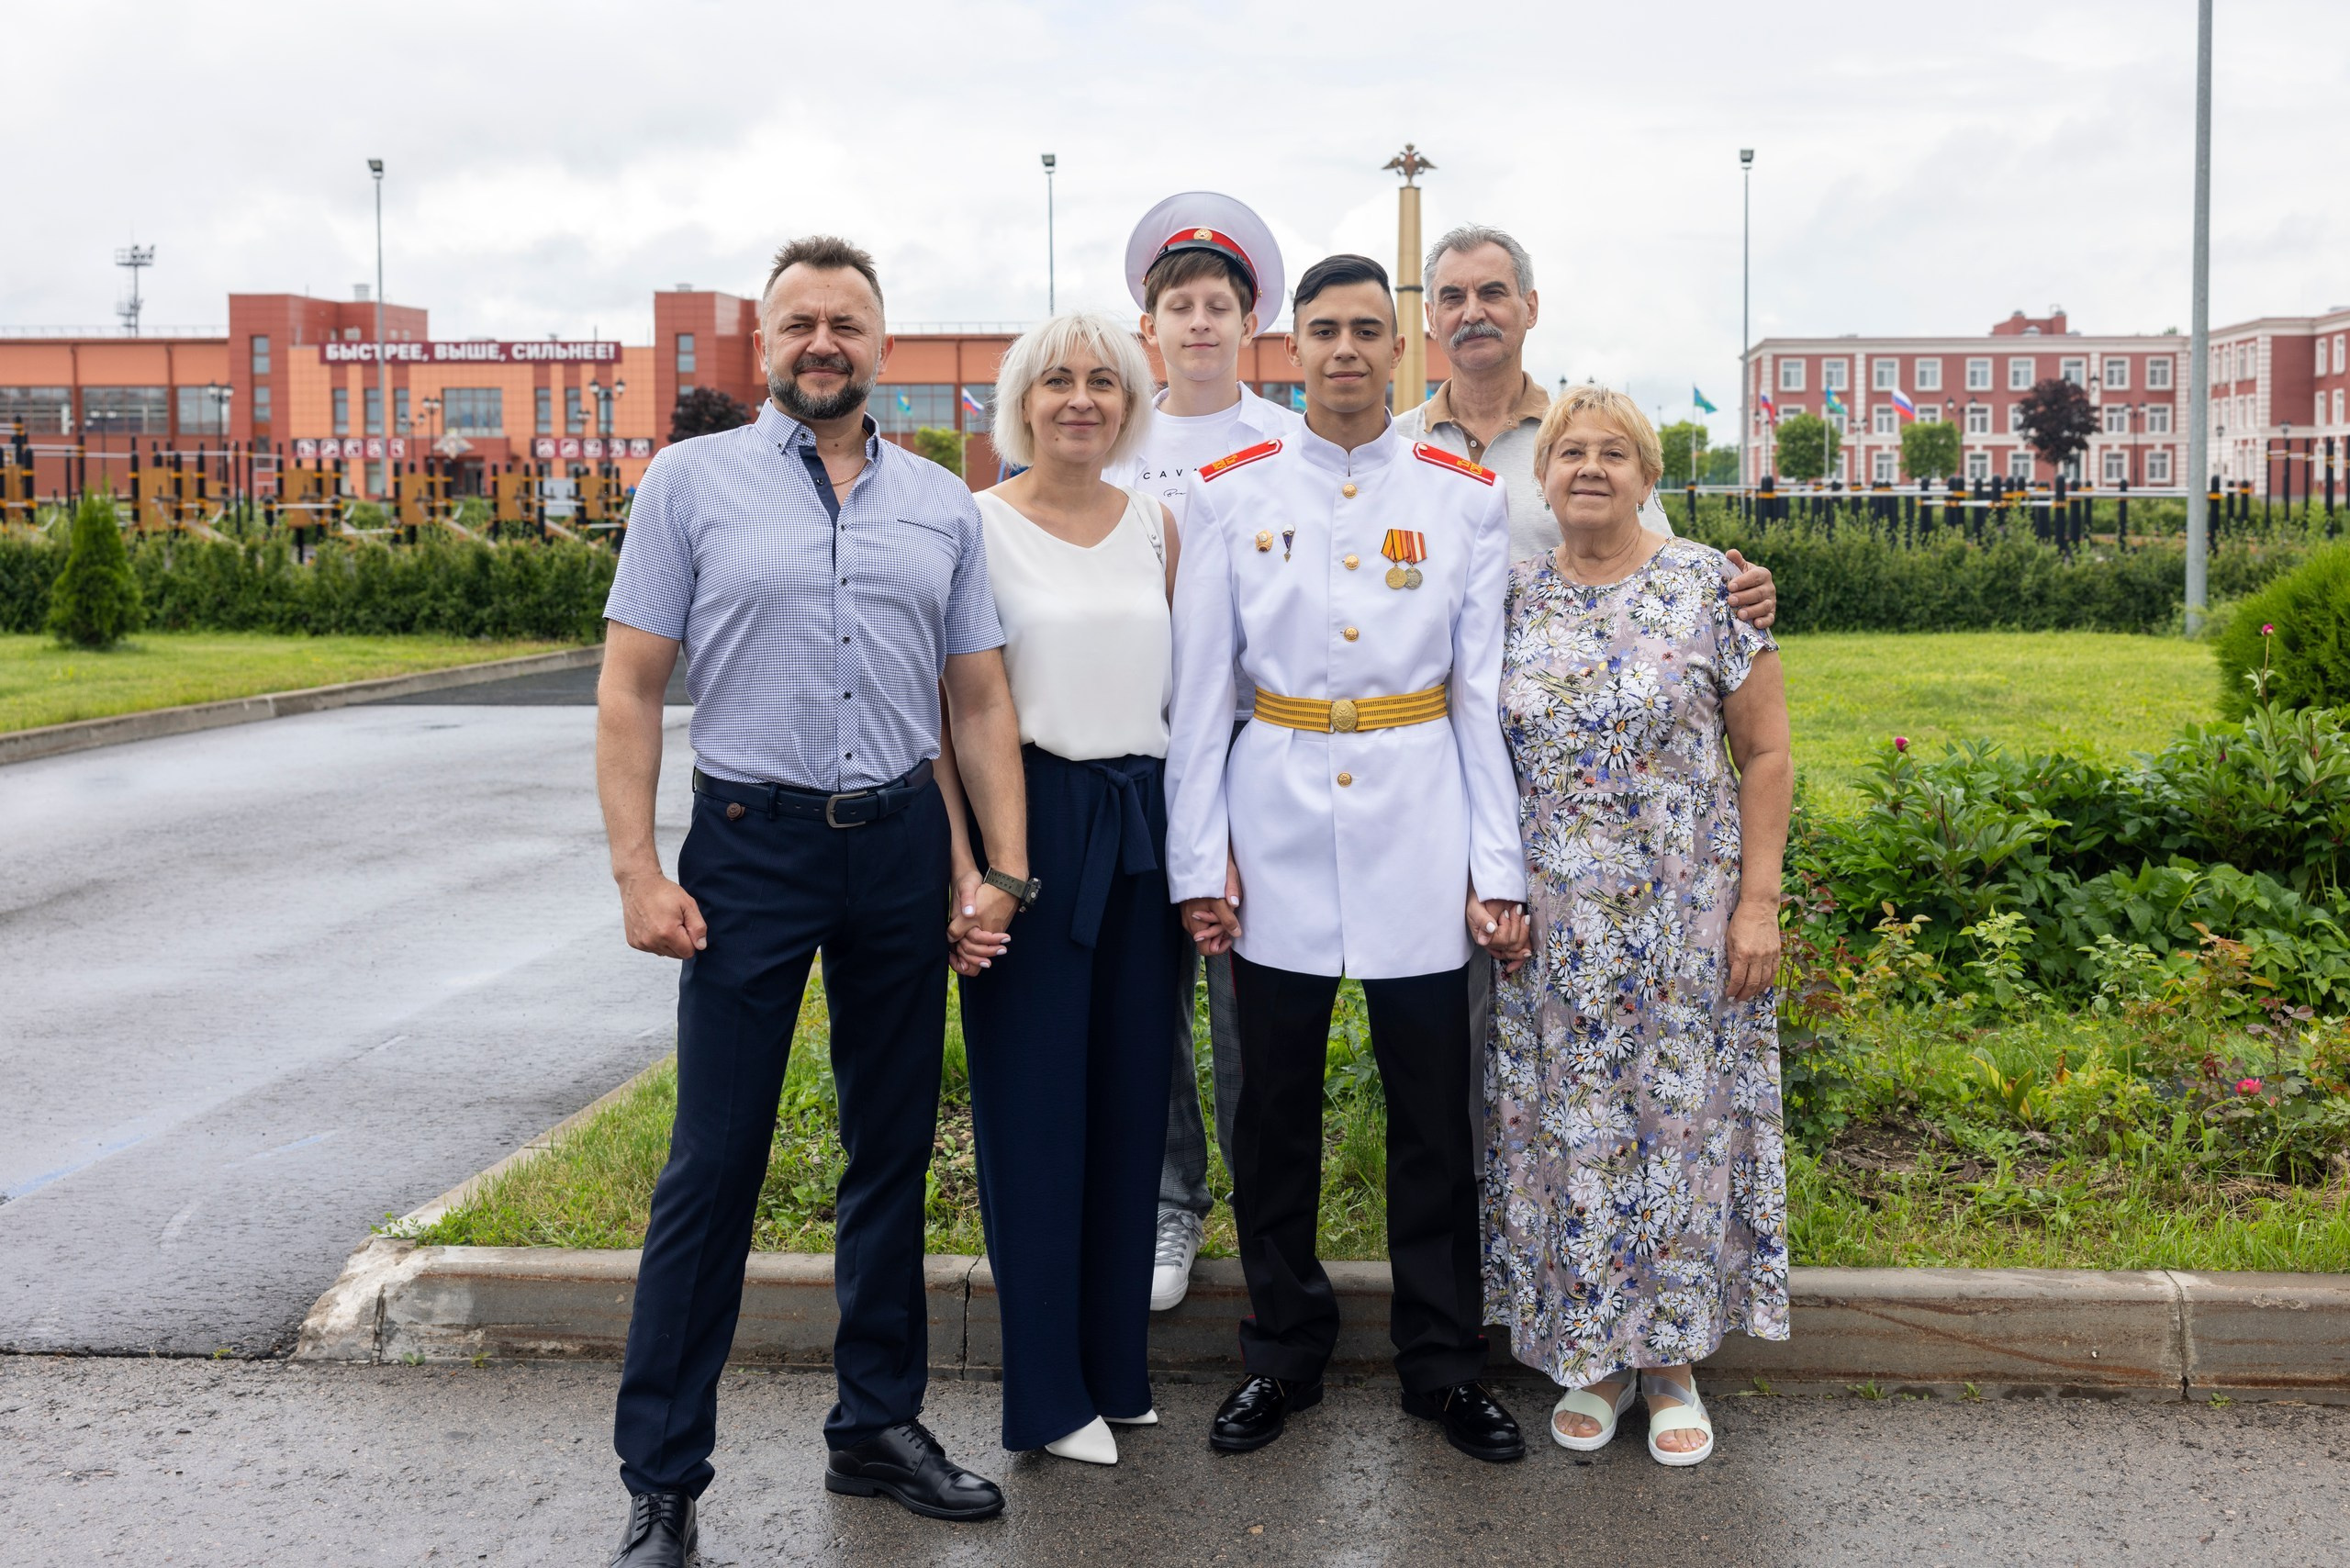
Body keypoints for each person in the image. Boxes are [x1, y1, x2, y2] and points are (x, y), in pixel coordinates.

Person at [597, 235, 1021, 1564]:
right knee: (714, 1163)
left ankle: (875, 1425)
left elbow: (976, 701)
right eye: (799, 323)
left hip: (897, 847)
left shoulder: (942, 503)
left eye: (846, 322)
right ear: (765, 345)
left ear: (880, 345)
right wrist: (637, 870)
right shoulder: (689, 484)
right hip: (749, 850)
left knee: (888, 1150)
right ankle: (663, 1478)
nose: (822, 342)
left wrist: (991, 868)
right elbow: (631, 687)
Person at [1166, 252, 1531, 1463]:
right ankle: (1281, 1352)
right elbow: (1201, 695)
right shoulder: (1230, 491)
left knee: (1434, 1115)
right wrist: (1198, 862)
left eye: (1368, 330)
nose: (1345, 351)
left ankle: (1443, 1362)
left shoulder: (1460, 496)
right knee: (1272, 1113)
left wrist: (1497, 870)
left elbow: (1477, 697)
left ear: (1397, 345)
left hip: (1418, 822)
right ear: (1293, 348)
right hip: (1271, 824)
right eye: (1323, 330)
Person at [1483, 384, 1793, 1468]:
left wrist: (1757, 904)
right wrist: (1489, 888)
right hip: (1553, 931)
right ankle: (1596, 1355)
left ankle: (1669, 1364)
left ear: (1647, 477)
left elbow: (1766, 751)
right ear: (1541, 480)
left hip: (1682, 922)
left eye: (1614, 452)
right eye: (1569, 451)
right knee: (1572, 1134)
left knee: (1678, 1136)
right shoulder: (1508, 598)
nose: (1590, 468)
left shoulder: (1711, 587)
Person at [937, 309, 1187, 1466]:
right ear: (1021, 402)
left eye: (1103, 380)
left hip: (1141, 829)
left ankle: (1112, 1371)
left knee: (1132, 1106)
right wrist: (972, 869)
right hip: (1028, 827)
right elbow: (948, 716)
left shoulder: (1158, 528)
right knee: (1034, 1114)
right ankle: (1045, 1396)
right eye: (1056, 381)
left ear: (1130, 403)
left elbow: (1182, 697)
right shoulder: (974, 526)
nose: (1080, 398)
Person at [1105, 192, 1303, 1311]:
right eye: (1177, 307)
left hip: (1250, 750)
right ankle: (1170, 1203)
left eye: (1217, 306)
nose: (1197, 324)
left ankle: (1267, 1208)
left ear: (1249, 322)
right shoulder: (1113, 441)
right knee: (1151, 997)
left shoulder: (1286, 445)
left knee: (1248, 1001)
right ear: (1150, 327)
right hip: (1135, 747)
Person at [1396, 223, 1777, 618]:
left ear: (1530, 307)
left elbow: (1659, 566)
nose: (1472, 312)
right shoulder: (1392, 446)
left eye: (1492, 293)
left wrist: (1738, 591)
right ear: (1431, 317)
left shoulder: (1591, 444)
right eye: (1453, 297)